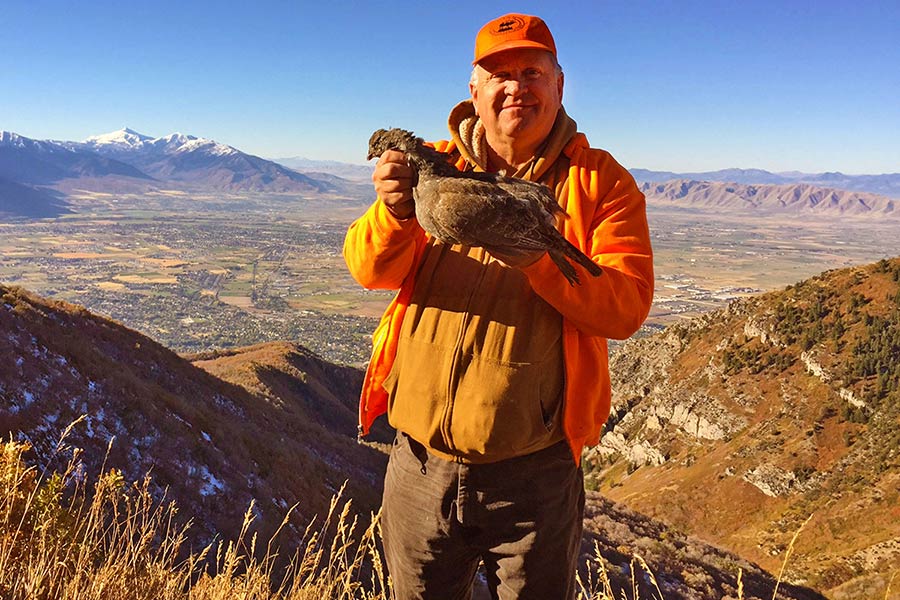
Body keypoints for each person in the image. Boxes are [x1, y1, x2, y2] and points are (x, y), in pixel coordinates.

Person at [344, 13, 654, 599]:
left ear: (559, 84)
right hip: (418, 465)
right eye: (500, 73)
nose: (516, 86)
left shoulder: (602, 184)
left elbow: (626, 308)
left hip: (533, 477)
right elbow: (369, 270)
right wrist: (394, 212)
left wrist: (535, 259)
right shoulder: (429, 169)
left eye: (532, 72)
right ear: (475, 90)